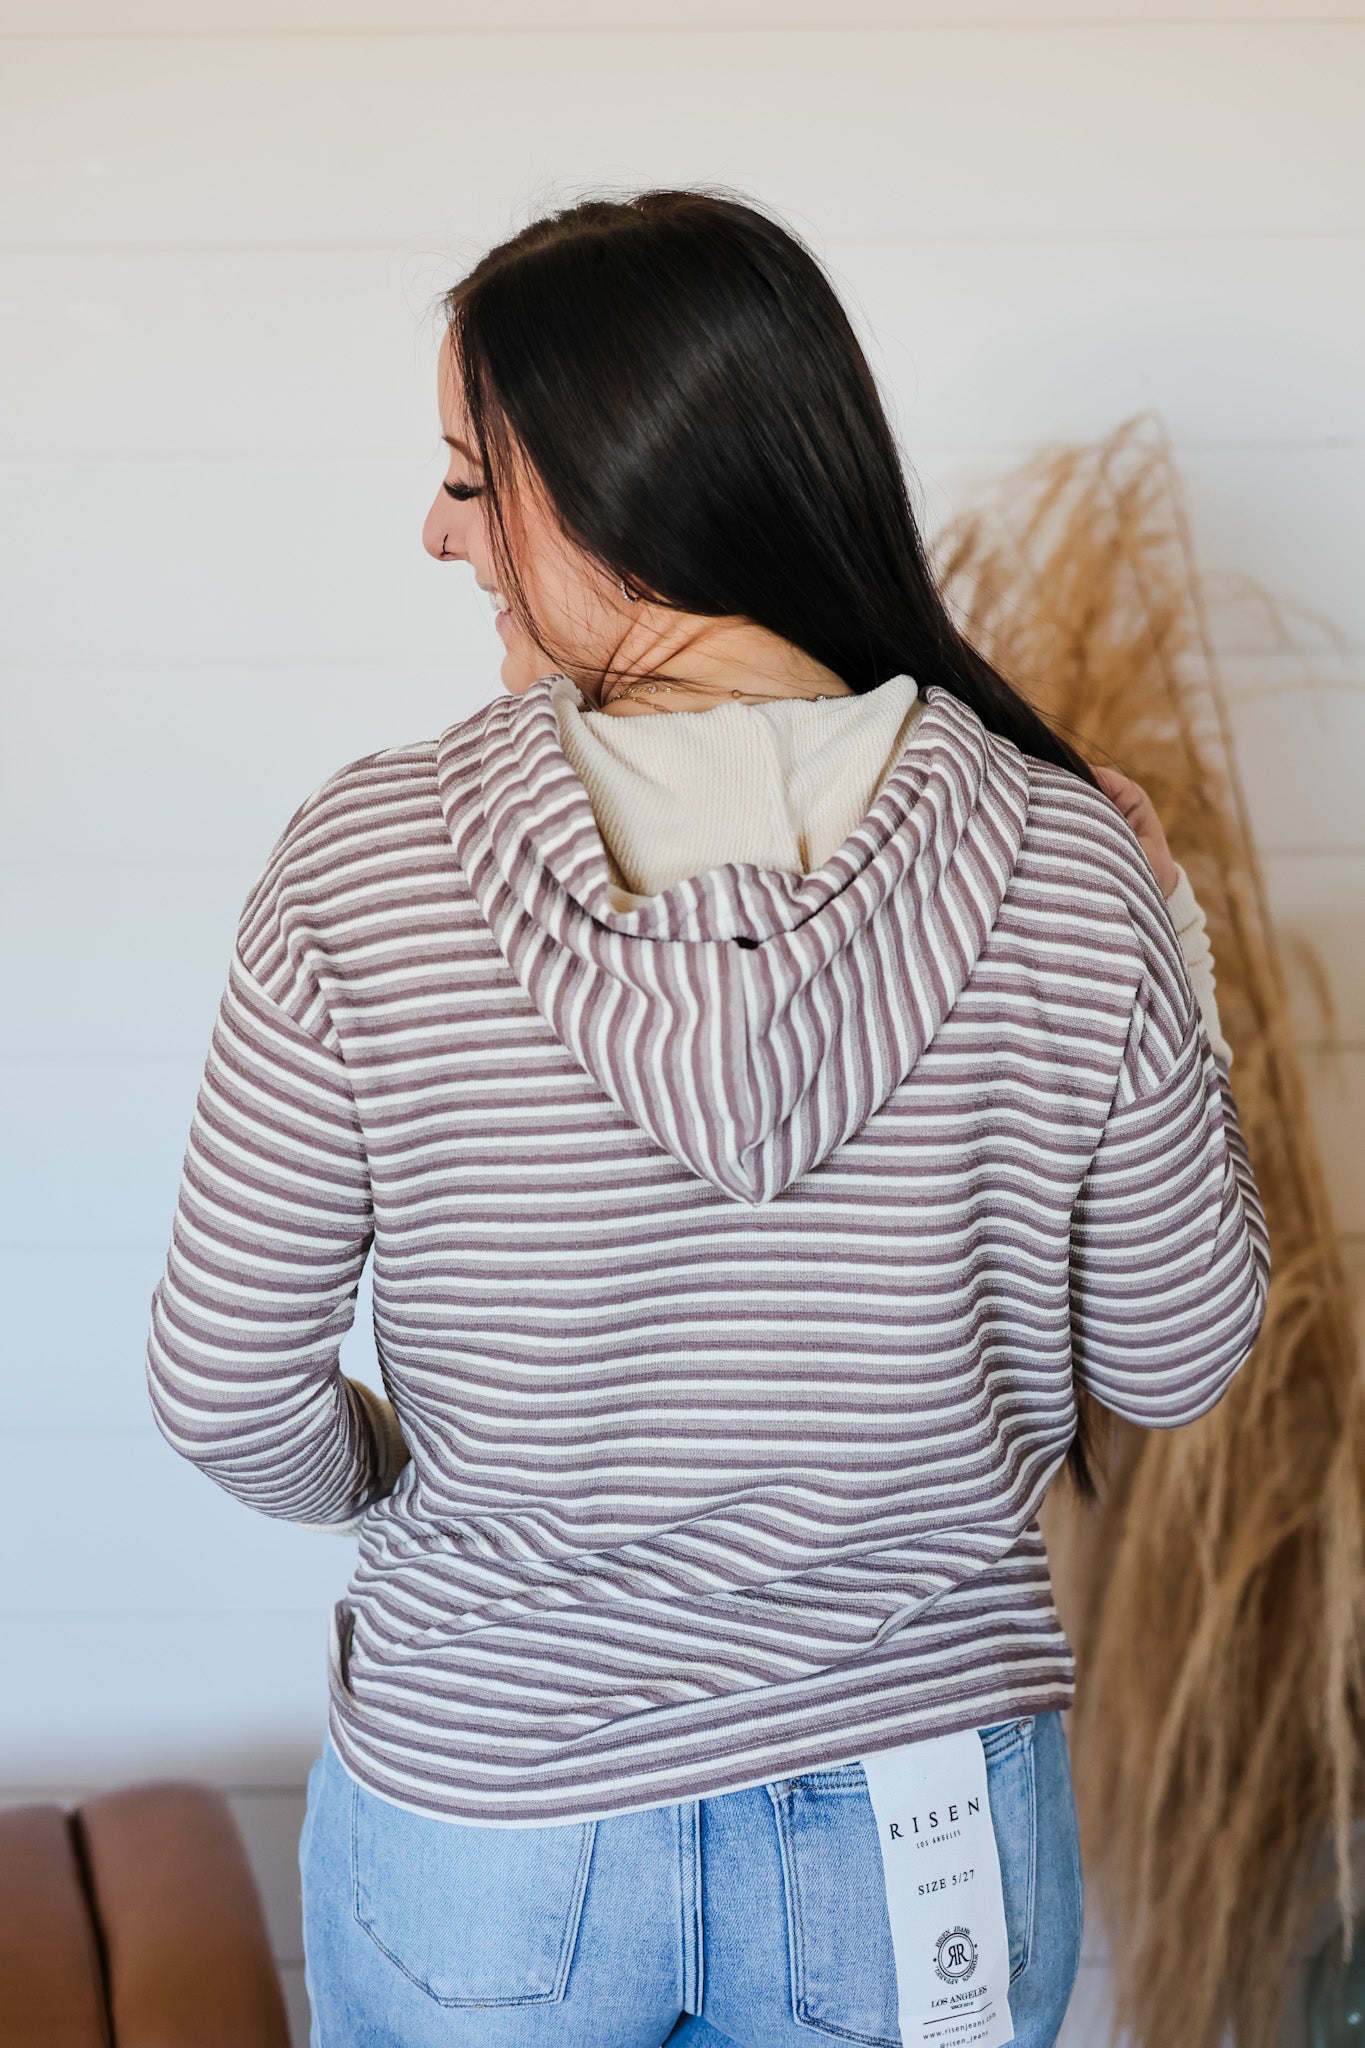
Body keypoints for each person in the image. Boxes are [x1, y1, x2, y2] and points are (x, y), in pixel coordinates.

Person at [146, 190, 1268, 2048]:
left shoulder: (367, 864)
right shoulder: (1072, 865)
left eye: (470, 481)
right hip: (916, 1827)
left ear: (624, 488)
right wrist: (1170, 932)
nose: (438, 532)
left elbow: (222, 1394)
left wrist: (415, 1490)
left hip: (490, 1812)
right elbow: (1172, 1360)